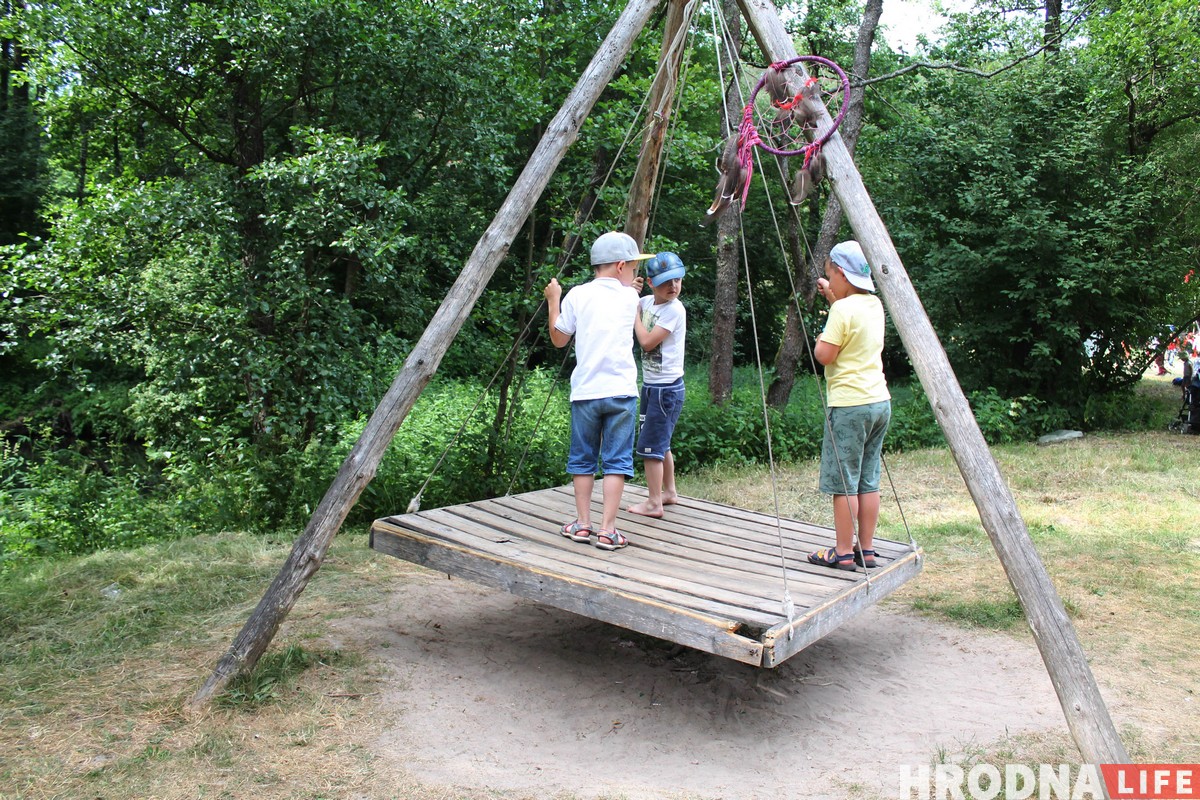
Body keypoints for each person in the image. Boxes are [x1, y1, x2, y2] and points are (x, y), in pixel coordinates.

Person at [544, 231, 653, 551]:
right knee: (617, 462)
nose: (635, 273)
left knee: (582, 459)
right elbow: (626, 300)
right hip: (621, 392)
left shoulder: (577, 295)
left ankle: (582, 524)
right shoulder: (630, 298)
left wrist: (554, 300)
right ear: (620, 266)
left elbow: (559, 339)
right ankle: (608, 530)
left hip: (586, 392)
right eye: (633, 267)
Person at [807, 240, 892, 571]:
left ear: (840, 273)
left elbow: (825, 354)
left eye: (831, 273)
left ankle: (842, 552)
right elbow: (852, 322)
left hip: (849, 407)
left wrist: (819, 339)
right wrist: (832, 295)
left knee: (844, 482)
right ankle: (865, 550)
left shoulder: (842, 311)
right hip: (878, 403)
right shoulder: (872, 305)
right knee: (868, 480)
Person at [626, 252, 687, 519]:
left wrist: (633, 314)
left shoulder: (674, 309)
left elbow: (647, 342)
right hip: (653, 385)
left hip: (666, 389)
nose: (672, 286)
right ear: (650, 283)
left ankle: (653, 503)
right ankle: (669, 492)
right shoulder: (647, 301)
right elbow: (629, 300)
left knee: (651, 447)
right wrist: (629, 293)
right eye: (665, 282)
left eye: (676, 280)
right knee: (662, 444)